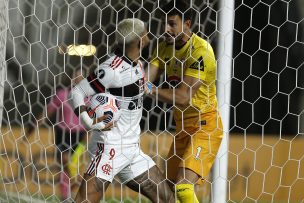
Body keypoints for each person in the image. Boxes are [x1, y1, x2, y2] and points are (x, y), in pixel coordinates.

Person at [71, 18, 174, 203]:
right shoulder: (112, 69)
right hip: (109, 148)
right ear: (140, 41)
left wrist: (154, 89)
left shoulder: (138, 65)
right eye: (145, 32)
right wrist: (89, 122)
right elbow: (78, 91)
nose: (148, 34)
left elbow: (140, 87)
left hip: (132, 149)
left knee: (167, 199)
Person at [146, 1, 224, 202]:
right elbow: (145, 79)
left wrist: (149, 89)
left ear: (187, 24)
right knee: (168, 193)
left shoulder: (201, 51)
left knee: (183, 189)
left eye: (172, 24)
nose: (166, 29)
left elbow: (182, 97)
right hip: (182, 128)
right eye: (165, 23)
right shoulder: (163, 47)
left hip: (204, 126)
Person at [26, 69, 87, 200]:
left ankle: (74, 188)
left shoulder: (87, 97)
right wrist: (33, 127)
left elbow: (91, 117)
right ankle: (66, 195)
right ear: (71, 77)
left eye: (81, 76)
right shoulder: (62, 94)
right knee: (63, 165)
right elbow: (47, 112)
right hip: (61, 132)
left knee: (69, 164)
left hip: (79, 134)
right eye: (76, 75)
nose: (78, 78)